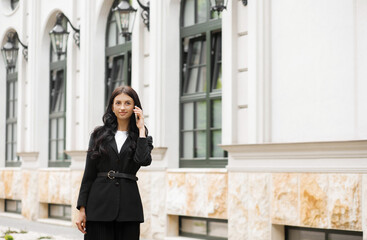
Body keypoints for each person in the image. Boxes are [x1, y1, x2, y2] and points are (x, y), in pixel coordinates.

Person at [75, 86, 153, 240]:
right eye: (118, 103)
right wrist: (82, 209)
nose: (122, 107)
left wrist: (141, 130)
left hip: (129, 208)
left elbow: (143, 161)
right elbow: (89, 174)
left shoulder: (142, 137)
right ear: (112, 106)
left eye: (127, 103)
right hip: (98, 206)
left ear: (135, 107)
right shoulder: (99, 135)